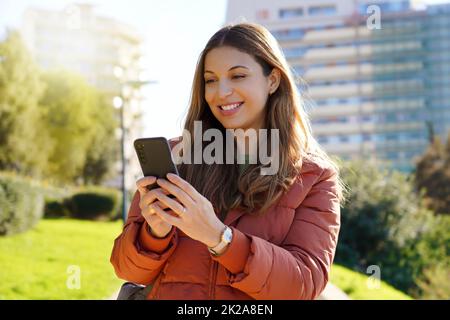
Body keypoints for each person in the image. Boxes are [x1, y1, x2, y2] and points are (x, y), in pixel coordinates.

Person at [110, 22, 345, 300]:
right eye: (211, 80)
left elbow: (303, 285)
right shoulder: (178, 157)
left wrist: (220, 238)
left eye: (237, 76)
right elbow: (128, 270)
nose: (221, 93)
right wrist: (154, 233)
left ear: (273, 80)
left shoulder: (314, 177)